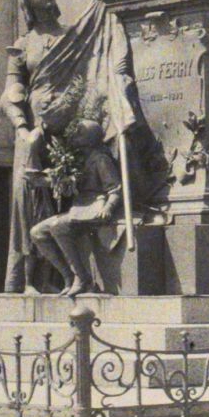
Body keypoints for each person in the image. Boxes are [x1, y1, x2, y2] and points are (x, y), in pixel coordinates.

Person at [1, 0, 66, 293]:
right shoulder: (23, 44)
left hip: (67, 129)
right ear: (28, 4)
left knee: (62, 199)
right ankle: (31, 282)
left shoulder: (71, 37)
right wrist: (23, 128)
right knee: (30, 203)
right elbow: (11, 92)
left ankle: (64, 277)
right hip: (32, 134)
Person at [29, 118, 123, 296]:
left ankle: (82, 277)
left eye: (79, 133)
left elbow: (115, 188)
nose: (74, 137)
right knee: (37, 232)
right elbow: (70, 187)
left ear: (89, 138)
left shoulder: (100, 159)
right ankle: (69, 277)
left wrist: (109, 207)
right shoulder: (77, 159)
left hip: (95, 207)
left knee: (59, 226)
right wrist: (46, 181)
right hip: (79, 207)